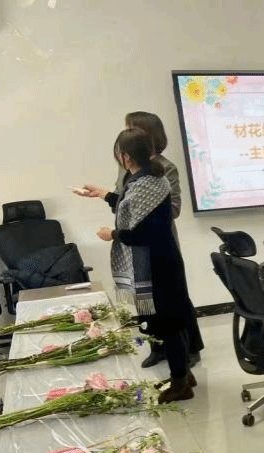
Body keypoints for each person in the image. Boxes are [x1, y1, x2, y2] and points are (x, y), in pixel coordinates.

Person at [76, 111, 204, 369]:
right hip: (136, 247)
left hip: (155, 245)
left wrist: (115, 233)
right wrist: (103, 194)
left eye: (131, 130)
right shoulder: (131, 170)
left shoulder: (161, 171)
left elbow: (166, 210)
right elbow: (126, 200)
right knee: (148, 303)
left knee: (172, 305)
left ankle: (186, 353)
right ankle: (159, 347)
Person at [95, 128, 196, 403]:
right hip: (163, 260)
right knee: (174, 320)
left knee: (170, 324)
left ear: (126, 156)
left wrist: (113, 234)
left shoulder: (145, 185)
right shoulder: (150, 178)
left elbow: (142, 233)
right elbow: (130, 208)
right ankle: (184, 374)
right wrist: (104, 194)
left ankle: (180, 383)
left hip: (157, 264)